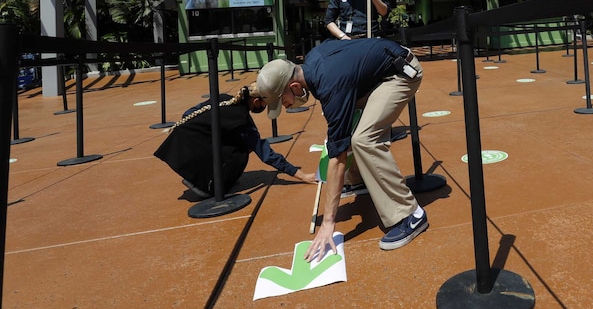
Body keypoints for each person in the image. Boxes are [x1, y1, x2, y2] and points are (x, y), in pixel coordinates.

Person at [255, 37, 426, 258]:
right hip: (381, 72)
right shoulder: (312, 60)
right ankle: (358, 179)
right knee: (343, 126)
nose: (286, 107)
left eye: (283, 101)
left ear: (295, 86)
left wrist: (328, 223)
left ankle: (411, 214)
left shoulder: (330, 86)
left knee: (364, 139)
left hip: (401, 73)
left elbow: (337, 158)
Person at [154, 83, 316, 199]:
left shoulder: (224, 98)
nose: (265, 108)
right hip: (193, 151)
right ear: (256, 101)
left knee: (233, 141)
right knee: (243, 149)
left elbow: (189, 113)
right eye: (265, 104)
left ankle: (199, 173)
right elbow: (267, 155)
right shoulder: (242, 122)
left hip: (182, 144)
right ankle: (209, 185)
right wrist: (302, 176)